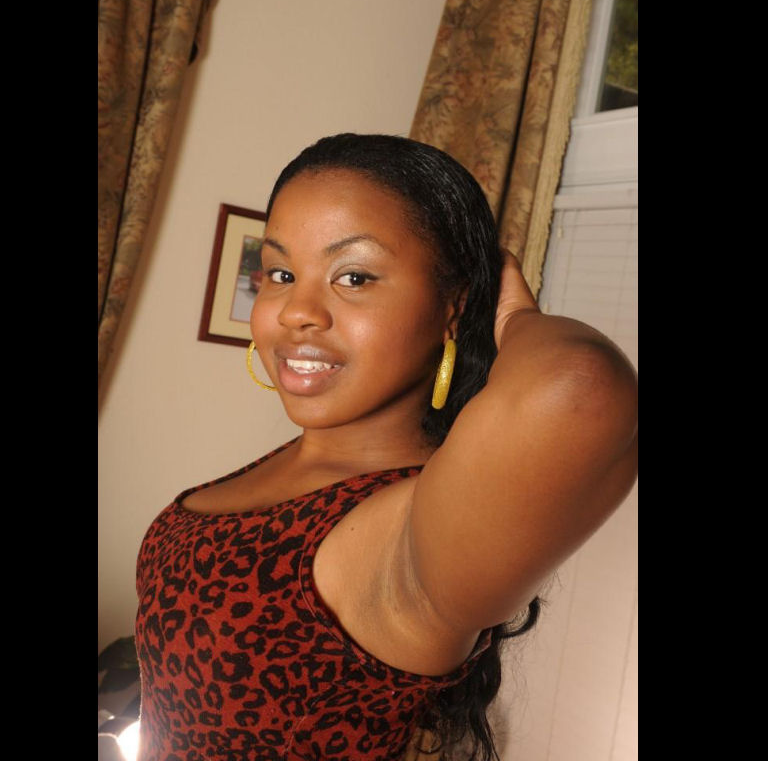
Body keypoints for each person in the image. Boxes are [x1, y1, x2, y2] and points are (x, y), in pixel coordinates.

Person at [134, 133, 638, 761]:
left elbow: (579, 385)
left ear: (453, 307)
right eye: (282, 273)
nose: (296, 311)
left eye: (354, 277)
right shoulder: (297, 464)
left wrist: (513, 318)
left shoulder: (418, 528)